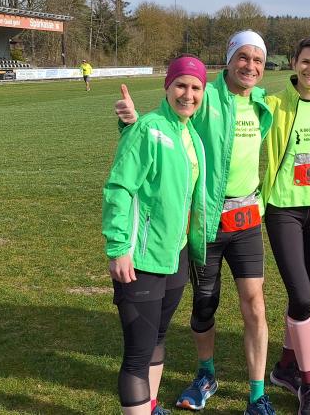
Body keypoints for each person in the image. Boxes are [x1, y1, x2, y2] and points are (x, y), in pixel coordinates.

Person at [114, 30, 278, 415]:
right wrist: (133, 123)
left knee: (255, 304)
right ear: (230, 58)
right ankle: (206, 374)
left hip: (248, 218)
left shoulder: (262, 103)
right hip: (205, 220)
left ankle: (257, 394)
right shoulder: (206, 95)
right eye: (243, 57)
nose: (250, 65)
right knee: (205, 304)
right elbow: (170, 123)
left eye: (258, 59)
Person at [102, 55, 208, 415]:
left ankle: (149, 407)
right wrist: (119, 248)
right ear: (167, 86)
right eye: (181, 85)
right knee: (136, 355)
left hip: (175, 255)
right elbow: (119, 188)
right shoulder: (149, 128)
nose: (188, 94)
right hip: (141, 258)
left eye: (196, 88)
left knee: (158, 339)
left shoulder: (189, 133)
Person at [261, 35, 310, 415]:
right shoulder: (274, 104)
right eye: (306, 61)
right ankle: (309, 384)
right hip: (284, 210)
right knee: (304, 297)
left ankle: (284, 366)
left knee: (302, 294)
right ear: (294, 63)